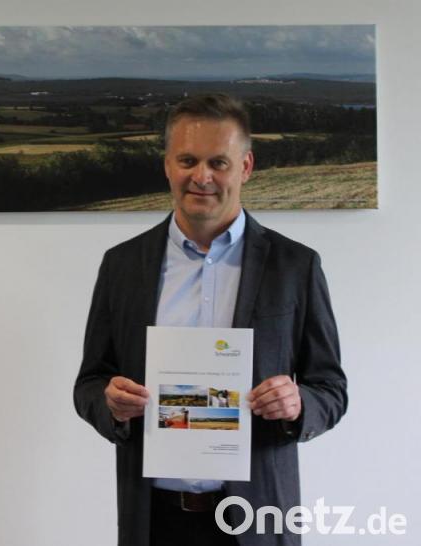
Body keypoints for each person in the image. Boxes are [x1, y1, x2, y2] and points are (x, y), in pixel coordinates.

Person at [73, 93, 347, 546]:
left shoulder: (295, 266)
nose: (202, 177)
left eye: (218, 162)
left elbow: (331, 389)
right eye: (188, 160)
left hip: (256, 520)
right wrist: (109, 403)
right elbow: (89, 383)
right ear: (167, 165)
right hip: (154, 522)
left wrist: (299, 403)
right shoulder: (122, 265)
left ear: (245, 167)